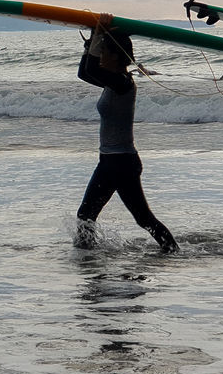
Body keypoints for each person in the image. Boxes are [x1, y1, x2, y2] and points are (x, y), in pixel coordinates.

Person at [74, 17, 178, 253]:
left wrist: (98, 34)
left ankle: (172, 251)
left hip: (122, 163)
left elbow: (91, 68)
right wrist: (92, 39)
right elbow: (84, 73)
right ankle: (86, 260)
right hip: (108, 161)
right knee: (86, 215)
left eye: (105, 53)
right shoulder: (111, 83)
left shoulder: (123, 83)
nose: (101, 58)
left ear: (117, 56)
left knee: (143, 218)